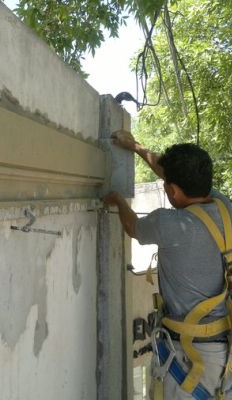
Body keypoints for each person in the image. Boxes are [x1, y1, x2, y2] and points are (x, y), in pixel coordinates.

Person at [104, 131, 232, 400]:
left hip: (189, 358)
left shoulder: (169, 224)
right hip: (224, 352)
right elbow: (173, 175)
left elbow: (132, 227)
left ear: (172, 190)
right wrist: (135, 147)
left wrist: (118, 200)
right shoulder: (224, 207)